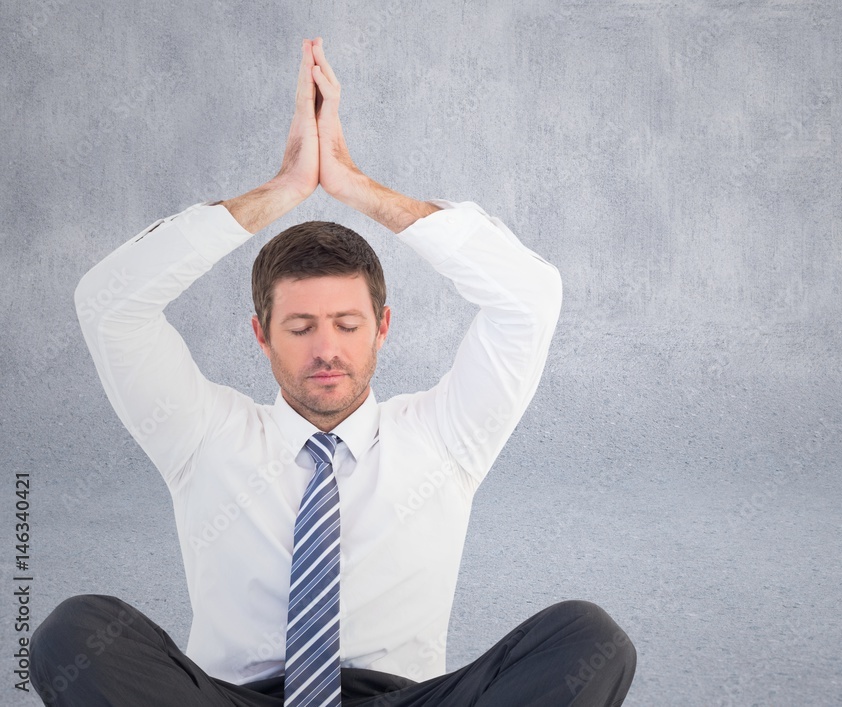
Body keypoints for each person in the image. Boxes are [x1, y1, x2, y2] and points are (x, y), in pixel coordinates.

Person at [29, 37, 636, 706]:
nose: (327, 349)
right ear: (261, 335)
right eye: (300, 327)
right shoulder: (204, 434)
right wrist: (281, 190)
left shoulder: (443, 436)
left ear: (383, 327)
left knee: (587, 634)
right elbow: (109, 303)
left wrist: (358, 188)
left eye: (347, 325)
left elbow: (530, 297)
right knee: (71, 631)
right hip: (233, 697)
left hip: (404, 699)